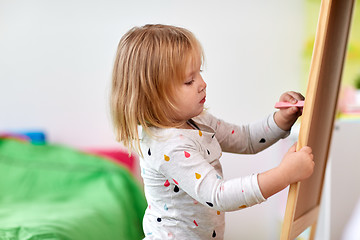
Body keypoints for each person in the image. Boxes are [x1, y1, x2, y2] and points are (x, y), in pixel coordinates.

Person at [110, 24, 314, 240]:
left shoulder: (197, 120)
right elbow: (219, 195)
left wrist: (281, 119)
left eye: (199, 73)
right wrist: (284, 175)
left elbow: (246, 139)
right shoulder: (168, 145)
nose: (202, 84)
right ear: (153, 96)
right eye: (189, 81)